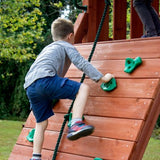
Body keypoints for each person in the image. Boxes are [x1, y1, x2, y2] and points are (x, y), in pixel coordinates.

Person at [24, 18, 114, 160]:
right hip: (45, 80)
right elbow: (81, 63)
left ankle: (36, 157)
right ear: (70, 36)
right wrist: (102, 78)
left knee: (41, 123)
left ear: (54, 36)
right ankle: (76, 124)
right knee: (83, 89)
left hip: (30, 86)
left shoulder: (47, 48)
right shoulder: (66, 45)